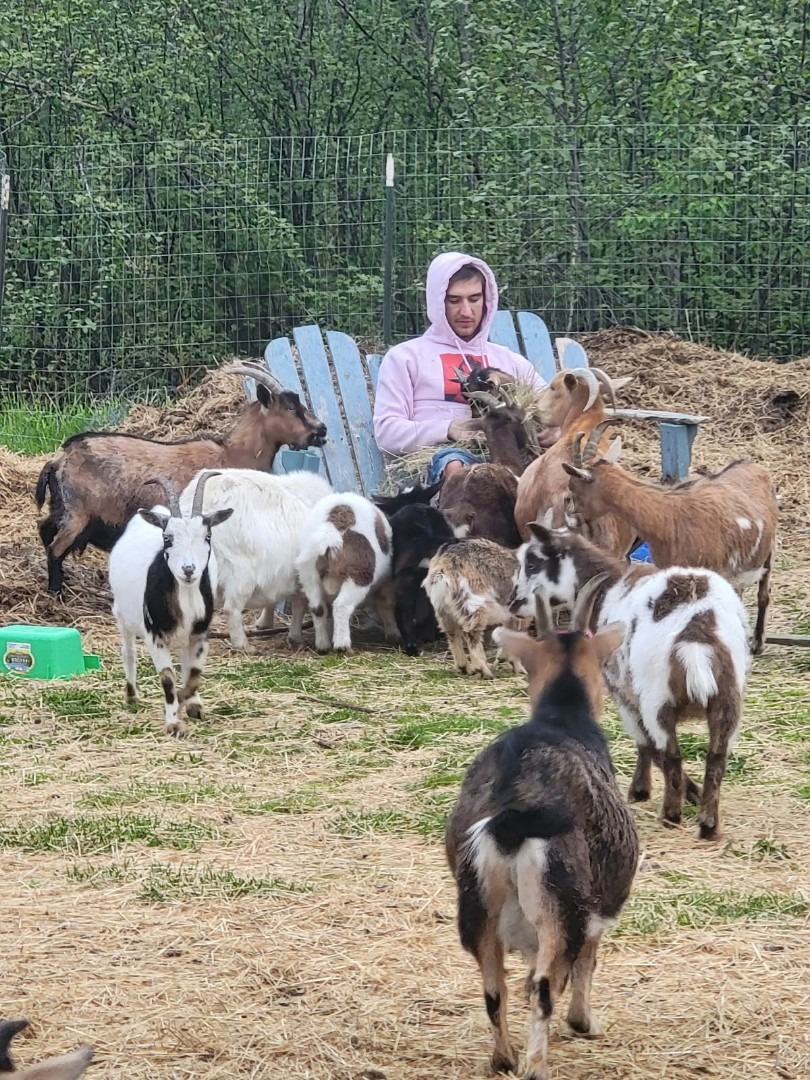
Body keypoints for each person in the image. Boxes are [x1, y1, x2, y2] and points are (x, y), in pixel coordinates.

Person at [372, 251, 559, 485]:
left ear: (486, 299)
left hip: (514, 457)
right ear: (438, 302)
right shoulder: (406, 358)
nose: (466, 312)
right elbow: (387, 432)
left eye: (474, 299)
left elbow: (555, 408)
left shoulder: (509, 361)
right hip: (444, 464)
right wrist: (448, 429)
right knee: (456, 466)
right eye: (454, 300)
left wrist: (558, 428)